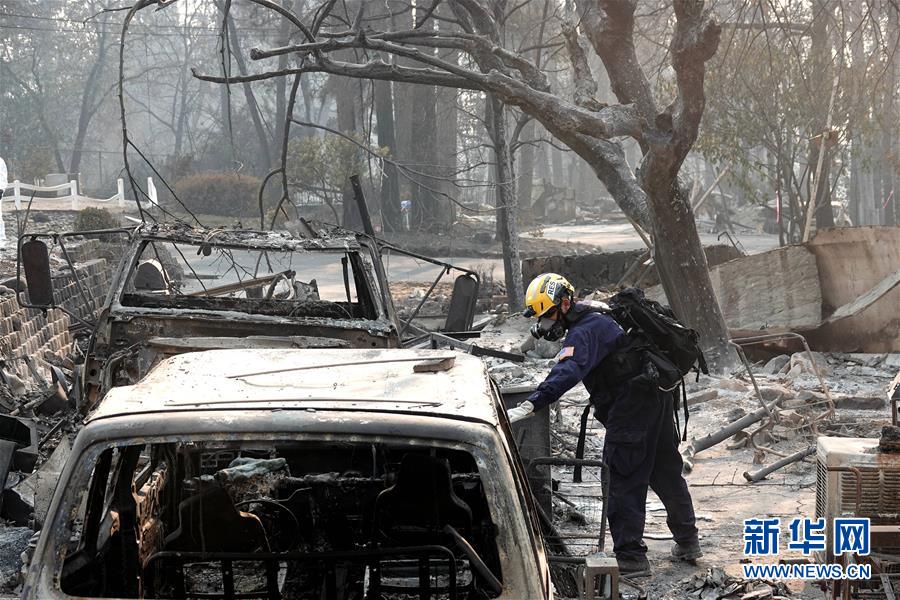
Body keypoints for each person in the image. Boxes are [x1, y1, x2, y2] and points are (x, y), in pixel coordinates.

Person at [507, 273, 701, 577]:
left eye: (548, 315)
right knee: (665, 469)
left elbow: (569, 369)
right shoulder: (599, 311)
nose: (545, 325)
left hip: (633, 405)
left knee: (623, 475)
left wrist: (533, 402)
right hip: (657, 396)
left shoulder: (585, 330)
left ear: (566, 303)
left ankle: (631, 558)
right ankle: (688, 540)